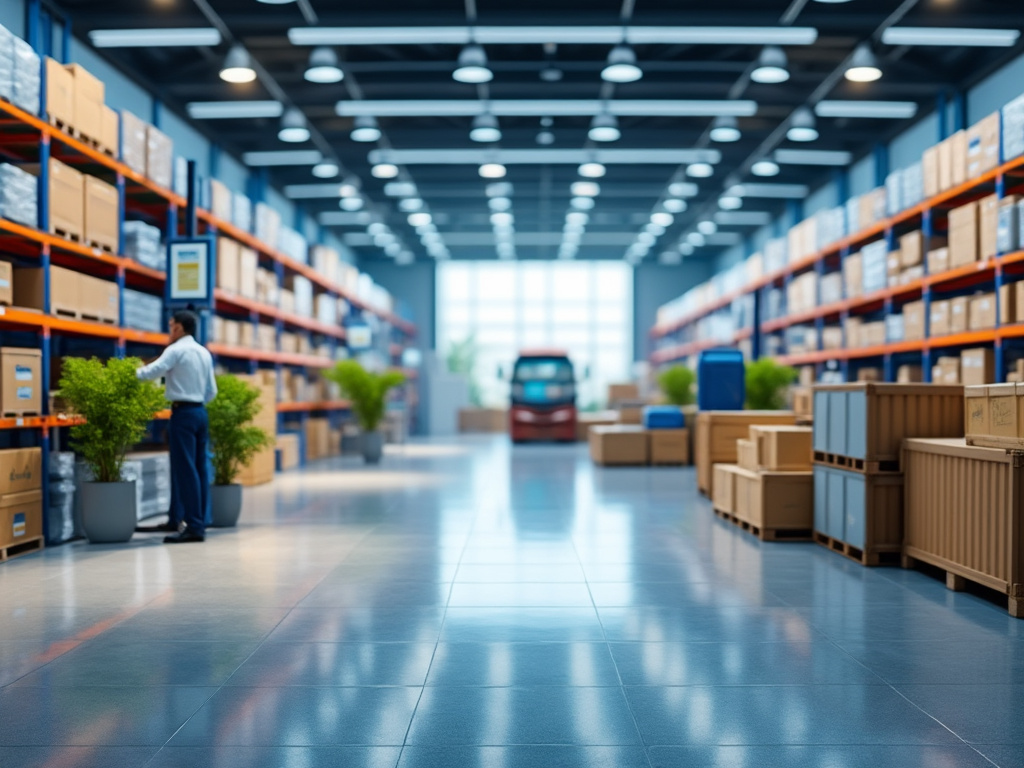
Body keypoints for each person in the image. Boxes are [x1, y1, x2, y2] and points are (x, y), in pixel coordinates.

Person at [136, 309, 217, 544]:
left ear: (179, 327)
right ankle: (185, 519)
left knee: (185, 470)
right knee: (198, 468)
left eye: (171, 326)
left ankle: (193, 526)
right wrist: (196, 401)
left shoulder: (176, 350)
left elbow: (151, 372)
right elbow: (212, 391)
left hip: (183, 414)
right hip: (200, 412)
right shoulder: (203, 352)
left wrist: (126, 373)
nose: (169, 331)